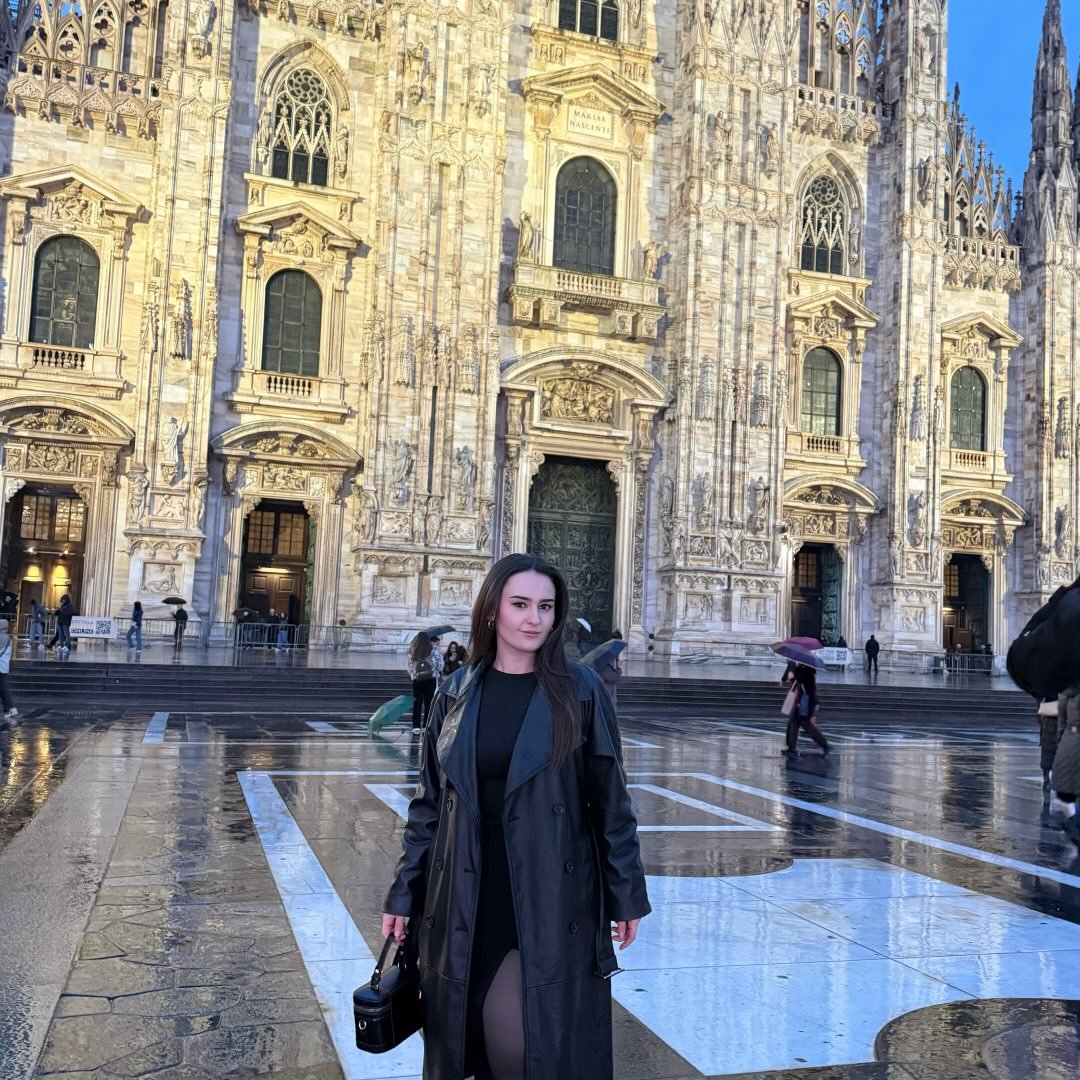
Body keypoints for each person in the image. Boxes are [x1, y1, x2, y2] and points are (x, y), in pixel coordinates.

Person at [382, 553, 650, 1080]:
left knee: (523, 1043)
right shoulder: (455, 691)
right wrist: (403, 893)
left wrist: (626, 894)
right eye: (521, 604)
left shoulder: (580, 690)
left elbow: (611, 803)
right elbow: (429, 805)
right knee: (470, 1036)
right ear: (492, 611)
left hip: (548, 891)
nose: (534, 619)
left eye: (546, 607)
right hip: (464, 890)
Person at [1051, 684, 1080, 849]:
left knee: (1068, 792)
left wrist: (1059, 744)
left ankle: (1073, 824)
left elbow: (1061, 723)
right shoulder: (1068, 693)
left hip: (1069, 740)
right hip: (1071, 741)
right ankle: (1074, 824)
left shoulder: (1066, 692)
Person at [784, 663, 829, 756]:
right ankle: (791, 748)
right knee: (793, 722)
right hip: (803, 702)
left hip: (805, 703)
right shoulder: (806, 671)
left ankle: (824, 744)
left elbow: (803, 682)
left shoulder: (805, 671)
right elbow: (799, 682)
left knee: (806, 725)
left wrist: (792, 677)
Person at [407, 631, 444, 733]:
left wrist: (413, 675)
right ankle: (426, 726)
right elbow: (440, 665)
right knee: (429, 703)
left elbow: (410, 666)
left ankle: (416, 726)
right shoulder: (434, 649)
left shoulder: (412, 650)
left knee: (417, 703)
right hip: (431, 679)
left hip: (417, 679)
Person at [1039, 696, 1065, 799]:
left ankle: (1046, 779)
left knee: (1046, 755)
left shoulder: (1046, 694)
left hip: (1047, 727)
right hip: (1059, 727)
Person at [599, 629, 623, 710]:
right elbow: (615, 677)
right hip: (607, 694)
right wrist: (619, 671)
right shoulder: (605, 667)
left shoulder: (606, 664)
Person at [0, 618, 16, 723]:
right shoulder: (9, 639)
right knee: (3, 688)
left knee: (3, 689)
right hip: (4, 666)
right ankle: (9, 709)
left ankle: (10, 708)